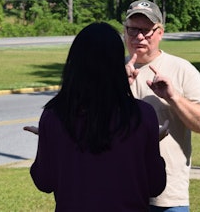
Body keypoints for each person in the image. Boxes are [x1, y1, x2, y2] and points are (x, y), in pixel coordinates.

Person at [27, 22, 166, 211]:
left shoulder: (54, 115)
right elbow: (155, 184)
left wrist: (50, 139)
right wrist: (149, 140)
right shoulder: (142, 115)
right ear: (118, 64)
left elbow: (44, 181)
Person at [124, 0, 200, 211]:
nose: (139, 36)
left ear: (160, 33)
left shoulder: (182, 70)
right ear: (124, 30)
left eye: (146, 31)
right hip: (121, 192)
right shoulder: (111, 71)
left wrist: (173, 96)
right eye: (132, 30)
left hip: (167, 197)